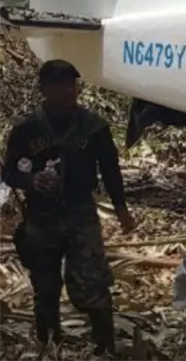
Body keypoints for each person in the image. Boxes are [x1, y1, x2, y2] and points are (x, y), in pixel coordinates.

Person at [1, 59, 137, 356]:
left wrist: (122, 209)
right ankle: (50, 345)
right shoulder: (26, 130)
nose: (67, 90)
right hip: (41, 216)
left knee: (92, 283)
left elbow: (111, 170)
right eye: (59, 84)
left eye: (71, 84)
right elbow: (8, 172)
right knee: (46, 286)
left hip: (81, 213)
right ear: (44, 88)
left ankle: (104, 347)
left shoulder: (93, 127)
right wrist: (32, 180)